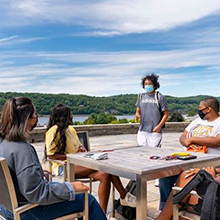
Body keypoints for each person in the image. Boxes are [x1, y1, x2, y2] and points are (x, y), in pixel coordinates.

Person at [0, 97, 107, 220]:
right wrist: (71, 187)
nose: (36, 118)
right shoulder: (23, 149)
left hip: (6, 208)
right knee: (88, 200)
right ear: (27, 119)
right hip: (29, 211)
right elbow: (37, 193)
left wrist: (38, 173)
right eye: (35, 114)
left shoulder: (3, 143)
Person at [44, 104, 136, 214]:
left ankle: (101, 214)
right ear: (63, 117)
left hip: (78, 164)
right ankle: (124, 195)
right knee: (106, 167)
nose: (71, 117)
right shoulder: (53, 131)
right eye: (69, 115)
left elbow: (78, 146)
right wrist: (71, 157)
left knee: (105, 175)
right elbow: (51, 155)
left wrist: (81, 148)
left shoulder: (71, 130)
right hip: (64, 167)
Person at [156, 96, 220, 220]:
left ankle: (166, 215)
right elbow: (183, 136)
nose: (199, 111)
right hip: (187, 159)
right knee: (165, 175)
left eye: (201, 108)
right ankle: (166, 209)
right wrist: (186, 141)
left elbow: (217, 141)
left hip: (206, 163)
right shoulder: (196, 121)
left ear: (208, 109)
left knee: (187, 176)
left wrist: (192, 139)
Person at [135, 73, 168, 148]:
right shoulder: (141, 96)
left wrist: (159, 126)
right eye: (145, 84)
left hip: (155, 130)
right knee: (141, 150)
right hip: (142, 129)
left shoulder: (159, 97)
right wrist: (137, 114)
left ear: (154, 85)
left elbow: (166, 114)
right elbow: (138, 109)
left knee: (154, 152)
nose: (147, 86)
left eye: (149, 84)